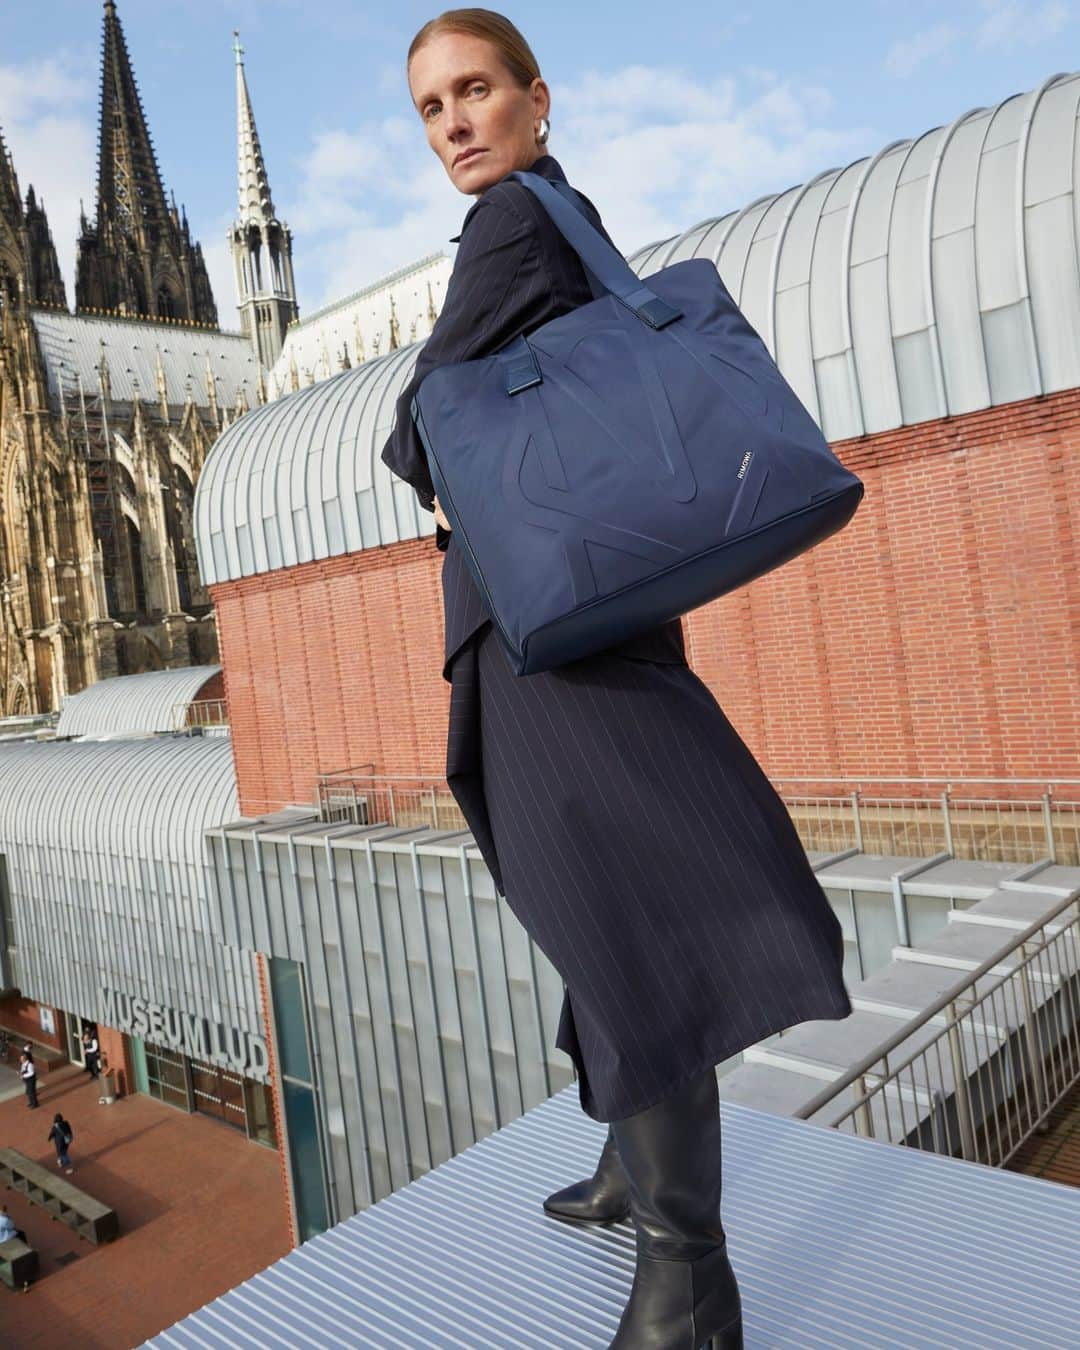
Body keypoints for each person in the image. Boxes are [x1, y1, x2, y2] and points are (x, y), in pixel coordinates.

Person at [382, 11, 852, 1346]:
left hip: (553, 651)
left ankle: (688, 1275)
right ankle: (624, 1159)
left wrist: (438, 461)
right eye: (431, 107)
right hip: (566, 623)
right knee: (586, 895)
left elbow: (418, 420)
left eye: (475, 90)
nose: (453, 122)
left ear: (537, 97)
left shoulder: (512, 221)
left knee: (610, 909)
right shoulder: (550, 214)